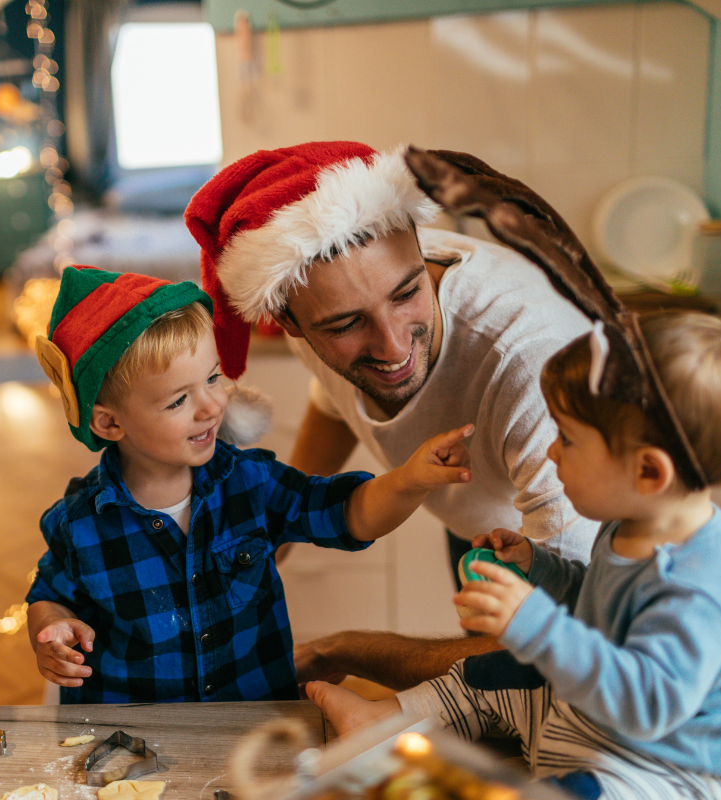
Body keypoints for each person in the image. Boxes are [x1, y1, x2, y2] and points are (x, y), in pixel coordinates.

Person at [308, 311, 721, 799]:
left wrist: (534, 622)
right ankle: (385, 719)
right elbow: (600, 607)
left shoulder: (697, 592)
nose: (552, 453)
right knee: (493, 672)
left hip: (677, 760)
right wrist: (541, 569)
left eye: (568, 439)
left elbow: (646, 707)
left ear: (648, 472)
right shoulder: (631, 523)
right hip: (600, 715)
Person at [184, 140, 597, 688]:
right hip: (491, 524)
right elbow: (333, 404)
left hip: (584, 551)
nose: (393, 345)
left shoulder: (529, 362)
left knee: (521, 689)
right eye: (345, 326)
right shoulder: (319, 292)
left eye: (407, 293)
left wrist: (343, 652)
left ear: (420, 252)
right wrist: (266, 537)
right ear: (290, 323)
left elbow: (550, 656)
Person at [24, 265, 473, 703]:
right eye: (179, 400)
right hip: (134, 747)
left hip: (254, 728)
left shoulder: (250, 482)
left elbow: (350, 513)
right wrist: (53, 630)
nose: (211, 406)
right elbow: (47, 598)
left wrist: (411, 480)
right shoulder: (79, 524)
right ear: (108, 422)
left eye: (213, 378)